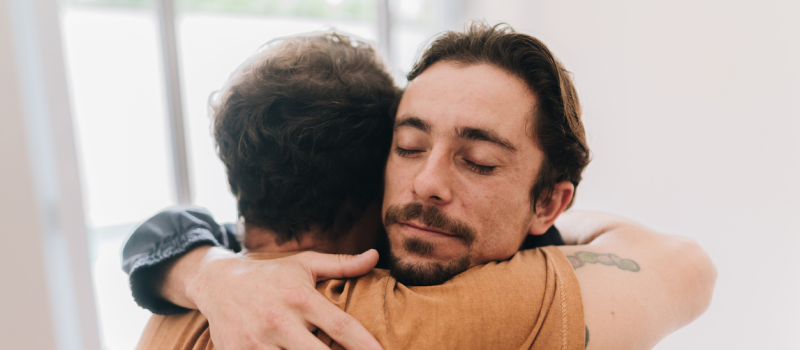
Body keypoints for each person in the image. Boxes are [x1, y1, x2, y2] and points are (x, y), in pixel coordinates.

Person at [126, 23, 716, 350]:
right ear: (371, 175)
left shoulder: (186, 309)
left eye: (478, 161)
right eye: (408, 148)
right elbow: (687, 267)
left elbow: (171, 231)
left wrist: (202, 271)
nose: (426, 182)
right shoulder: (457, 317)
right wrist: (538, 218)